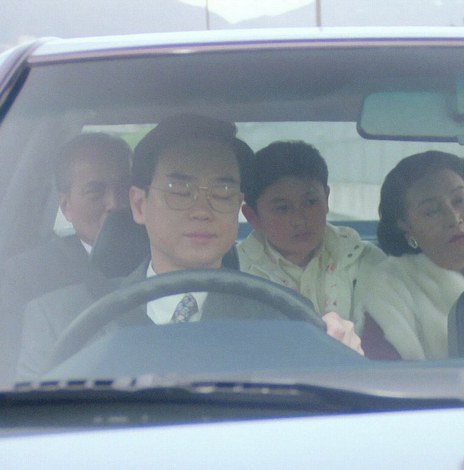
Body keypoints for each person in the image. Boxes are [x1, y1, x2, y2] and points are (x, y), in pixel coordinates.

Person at [16, 115, 362, 381]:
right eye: (179, 190)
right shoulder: (58, 318)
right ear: (139, 205)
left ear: (238, 206)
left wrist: (342, 363)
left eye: (222, 192)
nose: (202, 210)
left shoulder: (287, 319)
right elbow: (34, 434)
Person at [0, 133, 130, 382]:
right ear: (66, 206)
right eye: (95, 192)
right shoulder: (25, 277)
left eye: (123, 189)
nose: (114, 203)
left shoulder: (168, 259)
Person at [356, 151, 464, 360]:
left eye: (459, 200)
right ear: (407, 228)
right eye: (432, 211)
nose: (453, 218)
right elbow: (383, 372)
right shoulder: (391, 289)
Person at [237, 141, 384, 326]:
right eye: (282, 208)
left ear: (326, 199)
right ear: (252, 217)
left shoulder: (365, 260)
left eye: (311, 202)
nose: (300, 219)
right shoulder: (236, 273)